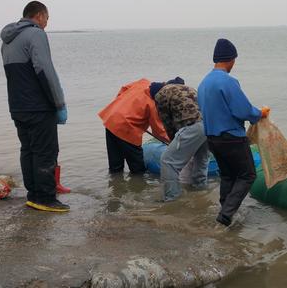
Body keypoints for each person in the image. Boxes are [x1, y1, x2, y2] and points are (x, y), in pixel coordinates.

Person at [1, 1, 69, 212]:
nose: (47, 23)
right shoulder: (36, 34)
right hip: (39, 107)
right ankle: (46, 198)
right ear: (39, 15)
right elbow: (44, 70)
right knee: (46, 151)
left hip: (18, 106)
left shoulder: (7, 41)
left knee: (28, 150)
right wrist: (59, 104)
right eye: (47, 18)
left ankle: (33, 195)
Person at [197, 38, 270, 226]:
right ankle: (226, 214)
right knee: (248, 175)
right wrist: (259, 113)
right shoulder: (228, 82)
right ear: (230, 59)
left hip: (212, 138)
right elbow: (243, 110)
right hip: (231, 138)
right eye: (234, 60)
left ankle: (224, 208)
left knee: (228, 175)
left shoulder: (204, 83)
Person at [98, 78, 179, 174]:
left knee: (115, 164)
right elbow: (159, 132)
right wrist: (175, 142)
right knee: (137, 167)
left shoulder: (143, 82)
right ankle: (138, 186)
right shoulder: (155, 103)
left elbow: (123, 89)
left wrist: (120, 105)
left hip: (111, 119)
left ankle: (116, 184)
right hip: (127, 128)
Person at [154, 81, 209, 201]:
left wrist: (173, 142)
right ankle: (200, 191)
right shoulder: (187, 87)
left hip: (192, 125)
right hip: (210, 124)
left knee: (168, 161)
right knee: (201, 159)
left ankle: (172, 198)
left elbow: (167, 122)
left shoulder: (159, 95)